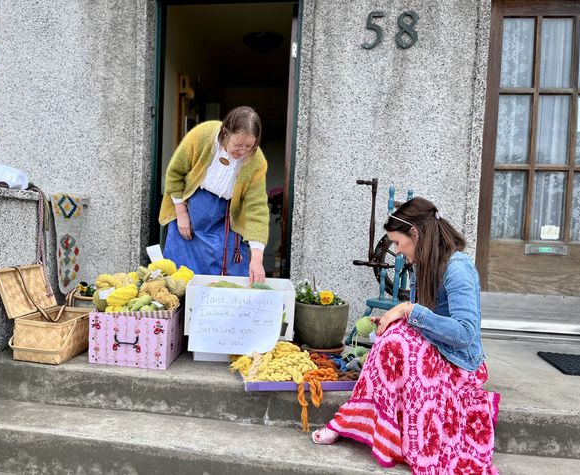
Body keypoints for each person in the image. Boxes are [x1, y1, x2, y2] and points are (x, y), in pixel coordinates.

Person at [312, 197, 500, 474]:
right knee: (393, 336)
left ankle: (363, 425)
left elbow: (465, 334)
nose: (397, 252)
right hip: (437, 349)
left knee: (399, 339)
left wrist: (408, 311)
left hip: (460, 363)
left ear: (416, 234)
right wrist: (396, 319)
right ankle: (351, 421)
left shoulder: (458, 268)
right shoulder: (423, 264)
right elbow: (421, 322)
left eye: (399, 243)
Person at [159, 106, 269, 283]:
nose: (242, 151)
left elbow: (257, 210)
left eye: (249, 146)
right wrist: (181, 213)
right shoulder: (203, 136)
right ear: (225, 133)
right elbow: (175, 173)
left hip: (226, 218)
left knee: (224, 279)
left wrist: (257, 260)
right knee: (179, 278)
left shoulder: (256, 161)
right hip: (190, 208)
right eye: (238, 144)